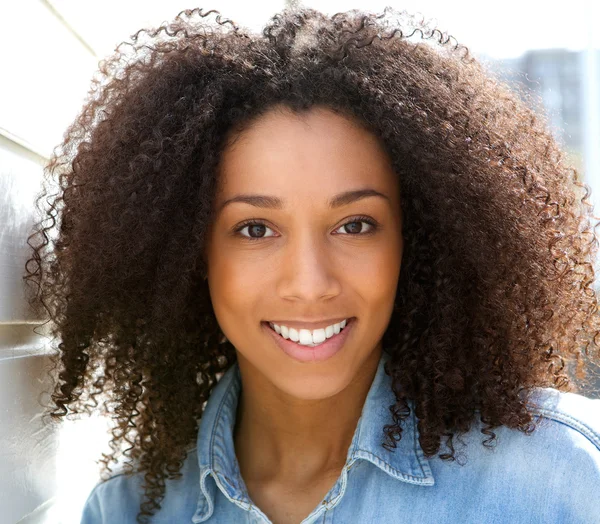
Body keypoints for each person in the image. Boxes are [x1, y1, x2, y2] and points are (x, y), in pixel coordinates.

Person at [23, 6, 600, 524]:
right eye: (255, 229)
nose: (309, 283)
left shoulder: (562, 479)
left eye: (355, 225)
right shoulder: (129, 512)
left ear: (416, 240)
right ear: (191, 253)